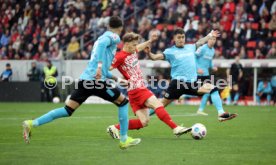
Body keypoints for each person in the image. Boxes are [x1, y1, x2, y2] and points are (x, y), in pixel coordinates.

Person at [22, 16, 141, 149]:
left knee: (67, 110)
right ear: (120, 28)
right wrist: (100, 66)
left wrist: (118, 80)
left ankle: (32, 123)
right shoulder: (114, 37)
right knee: (123, 102)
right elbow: (102, 56)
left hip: (85, 80)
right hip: (96, 82)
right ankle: (124, 139)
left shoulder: (101, 40)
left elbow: (105, 70)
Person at [107, 32, 191, 139]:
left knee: (144, 122)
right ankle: (175, 128)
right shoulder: (119, 57)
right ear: (127, 44)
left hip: (133, 92)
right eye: (133, 45)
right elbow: (106, 69)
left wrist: (150, 41)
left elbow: (140, 47)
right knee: (158, 105)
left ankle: (115, 128)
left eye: (136, 44)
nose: (135, 47)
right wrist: (115, 78)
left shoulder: (132, 50)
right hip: (137, 89)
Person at [147, 28, 237, 122]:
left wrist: (210, 35)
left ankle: (221, 113)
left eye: (183, 37)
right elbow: (154, 57)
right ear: (174, 38)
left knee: (213, 89)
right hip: (177, 84)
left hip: (192, 83)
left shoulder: (190, 47)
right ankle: (145, 115)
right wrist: (149, 53)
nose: (181, 39)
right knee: (162, 104)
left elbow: (201, 42)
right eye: (179, 37)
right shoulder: (170, 51)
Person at [195, 37, 218, 116]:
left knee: (207, 92)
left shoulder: (213, 50)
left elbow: (210, 61)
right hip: (198, 74)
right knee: (196, 91)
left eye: (214, 40)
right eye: (211, 39)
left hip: (206, 74)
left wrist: (212, 67)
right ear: (208, 40)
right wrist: (197, 68)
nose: (212, 41)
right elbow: (194, 57)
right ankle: (182, 95)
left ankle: (200, 110)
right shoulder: (202, 48)